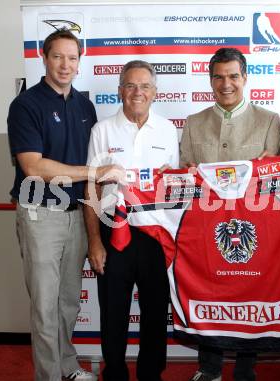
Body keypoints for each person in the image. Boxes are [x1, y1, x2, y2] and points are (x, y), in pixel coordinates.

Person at [8, 30, 120, 380]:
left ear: (79, 61)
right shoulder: (26, 105)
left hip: (76, 217)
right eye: (58, 56)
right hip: (40, 214)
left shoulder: (86, 106)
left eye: (72, 58)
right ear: (44, 57)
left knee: (68, 301)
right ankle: (49, 375)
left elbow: (89, 172)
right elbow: (33, 166)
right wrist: (95, 171)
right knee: (44, 306)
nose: (65, 65)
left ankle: (68, 366)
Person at [181, 48, 280, 381]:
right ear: (210, 80)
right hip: (205, 229)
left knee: (249, 292)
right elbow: (183, 176)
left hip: (253, 230)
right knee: (209, 291)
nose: (226, 84)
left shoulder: (269, 122)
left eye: (233, 76)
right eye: (219, 77)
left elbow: (279, 181)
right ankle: (208, 367)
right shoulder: (193, 124)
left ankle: (244, 367)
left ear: (245, 78)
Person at [83, 60, 179, 381]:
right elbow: (92, 187)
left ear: (155, 92)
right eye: (131, 85)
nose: (138, 92)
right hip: (114, 231)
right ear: (120, 90)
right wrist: (95, 241)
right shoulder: (102, 130)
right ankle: (115, 373)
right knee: (113, 313)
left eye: (145, 86)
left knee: (154, 313)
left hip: (155, 235)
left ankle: (151, 374)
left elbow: (175, 189)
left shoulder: (167, 130)